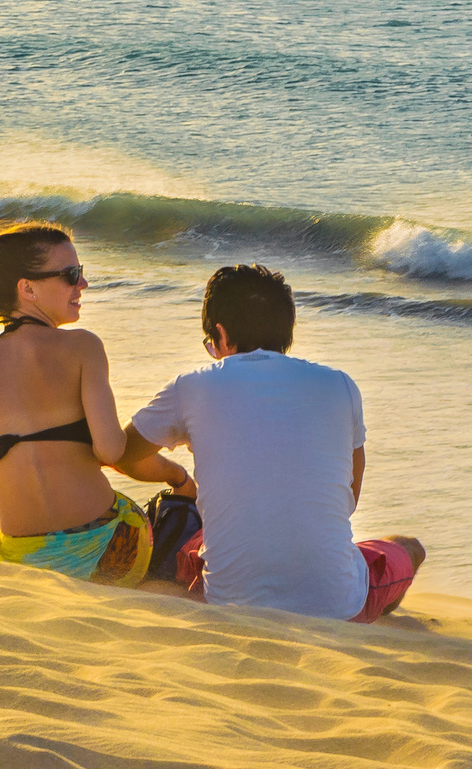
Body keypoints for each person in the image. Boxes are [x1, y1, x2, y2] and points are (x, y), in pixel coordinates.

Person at [122, 264, 425, 621]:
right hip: (338, 605)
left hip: (227, 598)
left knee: (196, 543)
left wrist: (179, 479)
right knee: (409, 548)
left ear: (220, 333)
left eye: (210, 345)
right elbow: (350, 498)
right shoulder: (340, 386)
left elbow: (122, 454)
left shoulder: (192, 387)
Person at [0, 219, 192, 586]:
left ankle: (0, 550)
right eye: (71, 274)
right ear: (27, 288)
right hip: (112, 555)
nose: (83, 284)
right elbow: (112, 449)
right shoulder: (82, 346)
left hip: (21, 563)